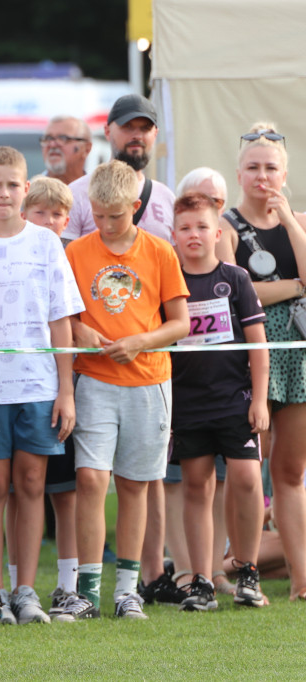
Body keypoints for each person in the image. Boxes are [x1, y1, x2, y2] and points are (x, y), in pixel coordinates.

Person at [0, 147, 83, 624]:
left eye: (13, 184)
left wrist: (65, 391)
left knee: (33, 485)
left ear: (25, 189)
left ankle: (26, 591)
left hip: (38, 386)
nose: (4, 193)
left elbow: (61, 322)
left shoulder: (47, 244)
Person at [59, 160, 190, 621]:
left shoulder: (160, 251)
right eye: (97, 215)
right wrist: (81, 332)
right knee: (91, 478)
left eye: (115, 216)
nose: (106, 225)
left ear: (135, 207)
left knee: (135, 485)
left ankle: (127, 591)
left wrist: (140, 341)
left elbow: (180, 322)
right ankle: (88, 591)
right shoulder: (76, 252)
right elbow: (64, 317)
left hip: (150, 382)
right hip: (94, 380)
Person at [169, 193, 269, 611]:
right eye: (186, 228)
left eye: (202, 227)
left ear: (218, 233)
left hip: (236, 400)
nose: (194, 235)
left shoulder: (237, 278)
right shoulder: (168, 279)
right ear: (173, 235)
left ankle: (246, 571)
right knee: (196, 485)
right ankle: (202, 580)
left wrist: (260, 400)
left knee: (246, 479)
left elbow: (259, 346)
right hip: (188, 404)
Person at [223, 123, 306, 601]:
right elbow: (240, 292)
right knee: (247, 469)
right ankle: (237, 565)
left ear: (285, 172)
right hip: (250, 358)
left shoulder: (298, 221)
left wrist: (290, 220)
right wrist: (296, 287)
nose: (262, 177)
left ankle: (300, 579)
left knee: (291, 473)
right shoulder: (227, 226)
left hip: (295, 360)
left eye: (271, 168)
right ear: (239, 172)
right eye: (253, 168)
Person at [20, 175, 83, 616]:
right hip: (22, 385)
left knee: (67, 491)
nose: (49, 220)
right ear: (24, 213)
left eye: (58, 214)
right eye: (40, 212)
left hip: (69, 388)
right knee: (17, 489)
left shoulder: (70, 256)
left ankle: (68, 585)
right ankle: (13, 586)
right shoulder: (12, 252)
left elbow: (74, 323)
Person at [62, 95, 175, 243]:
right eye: (127, 127)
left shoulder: (167, 198)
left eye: (145, 128)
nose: (137, 136)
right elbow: (65, 261)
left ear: (155, 134)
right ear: (107, 131)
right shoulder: (76, 194)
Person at [41, 116, 92, 186]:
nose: (52, 144)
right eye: (48, 138)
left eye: (62, 138)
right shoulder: (28, 193)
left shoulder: (97, 193)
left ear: (86, 149)